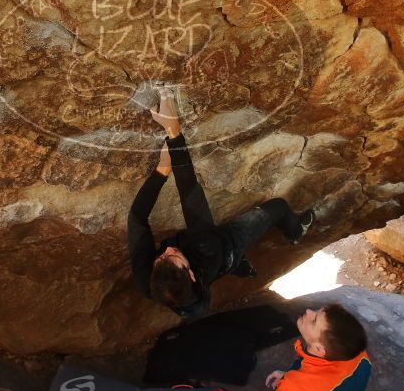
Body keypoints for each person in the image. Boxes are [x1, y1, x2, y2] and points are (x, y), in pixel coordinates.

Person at [128, 89, 315, 318]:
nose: (166, 250)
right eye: (172, 256)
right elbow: (189, 191)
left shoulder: (148, 281)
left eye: (160, 258)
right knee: (278, 207)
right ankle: (295, 232)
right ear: (191, 275)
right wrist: (173, 130)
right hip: (226, 246)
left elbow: (137, 217)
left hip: (209, 263)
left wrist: (161, 171)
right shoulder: (205, 247)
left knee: (225, 265)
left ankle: (241, 268)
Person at [217, 304, 371, 391]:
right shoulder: (358, 356)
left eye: (314, 320)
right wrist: (289, 376)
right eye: (317, 311)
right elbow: (330, 385)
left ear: (319, 349)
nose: (309, 312)